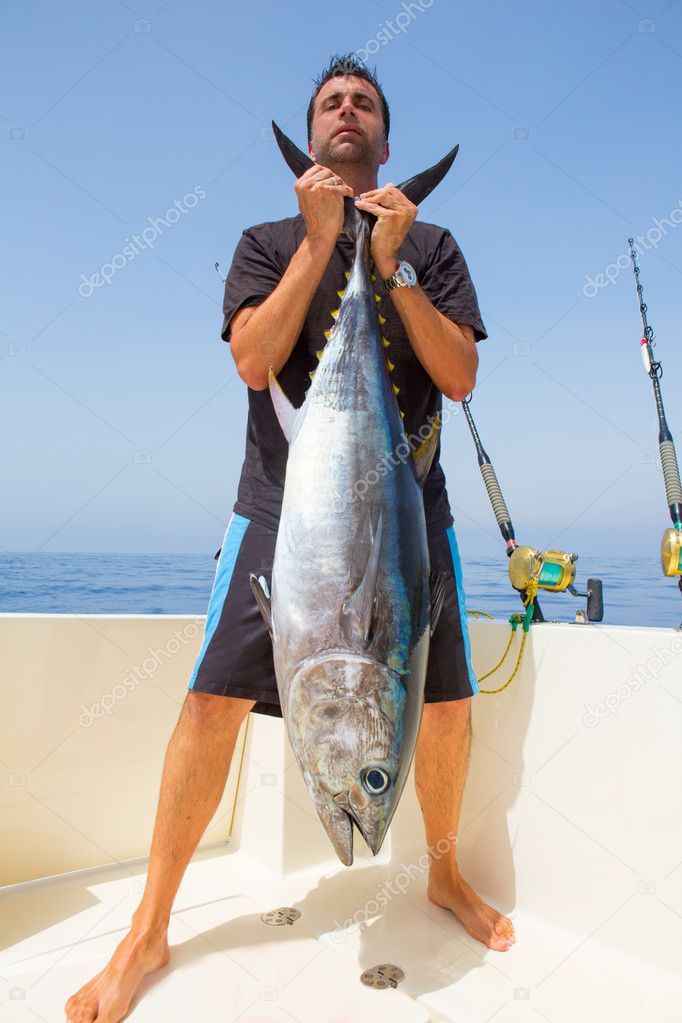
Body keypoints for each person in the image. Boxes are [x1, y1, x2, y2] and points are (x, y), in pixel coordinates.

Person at [65, 51, 515, 1023]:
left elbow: (461, 375)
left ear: (383, 140)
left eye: (361, 104)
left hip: (409, 515)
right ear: (311, 137)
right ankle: (148, 926)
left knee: (441, 707)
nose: (344, 114)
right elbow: (253, 359)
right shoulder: (267, 240)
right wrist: (320, 247)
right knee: (210, 704)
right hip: (282, 512)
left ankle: (439, 875)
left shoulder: (428, 243)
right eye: (329, 104)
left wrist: (386, 269)